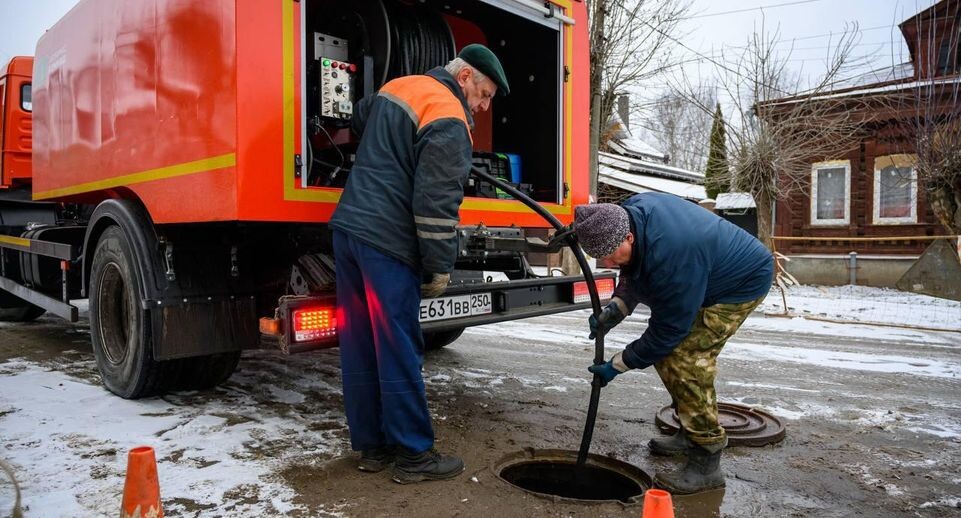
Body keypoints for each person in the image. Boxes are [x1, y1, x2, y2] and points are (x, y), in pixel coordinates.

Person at [329, 44, 509, 484]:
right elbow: (435, 205)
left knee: (360, 343)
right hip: (388, 243)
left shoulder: (401, 87)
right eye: (484, 94)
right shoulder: (448, 115)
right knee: (397, 347)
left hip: (348, 232)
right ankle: (413, 455)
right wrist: (439, 265)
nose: (483, 108)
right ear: (464, 76)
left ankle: (373, 447)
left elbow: (357, 115)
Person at [574, 193, 773, 494]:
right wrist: (618, 307)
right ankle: (688, 428)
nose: (610, 264)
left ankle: (707, 455)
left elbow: (667, 332)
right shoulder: (629, 216)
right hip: (702, 272)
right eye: (603, 259)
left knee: (685, 358)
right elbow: (635, 269)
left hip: (740, 282)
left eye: (612, 255)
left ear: (628, 236)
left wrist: (617, 365)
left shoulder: (674, 255)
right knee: (668, 354)